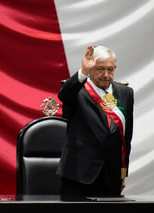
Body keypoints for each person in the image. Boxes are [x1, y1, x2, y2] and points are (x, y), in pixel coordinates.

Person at [56, 44, 134, 201]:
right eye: (100, 69)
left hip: (111, 177)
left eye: (110, 69)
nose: (106, 75)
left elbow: (126, 137)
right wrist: (82, 72)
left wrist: (122, 173)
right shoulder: (78, 90)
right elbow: (64, 95)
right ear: (91, 69)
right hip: (79, 175)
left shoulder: (125, 93)